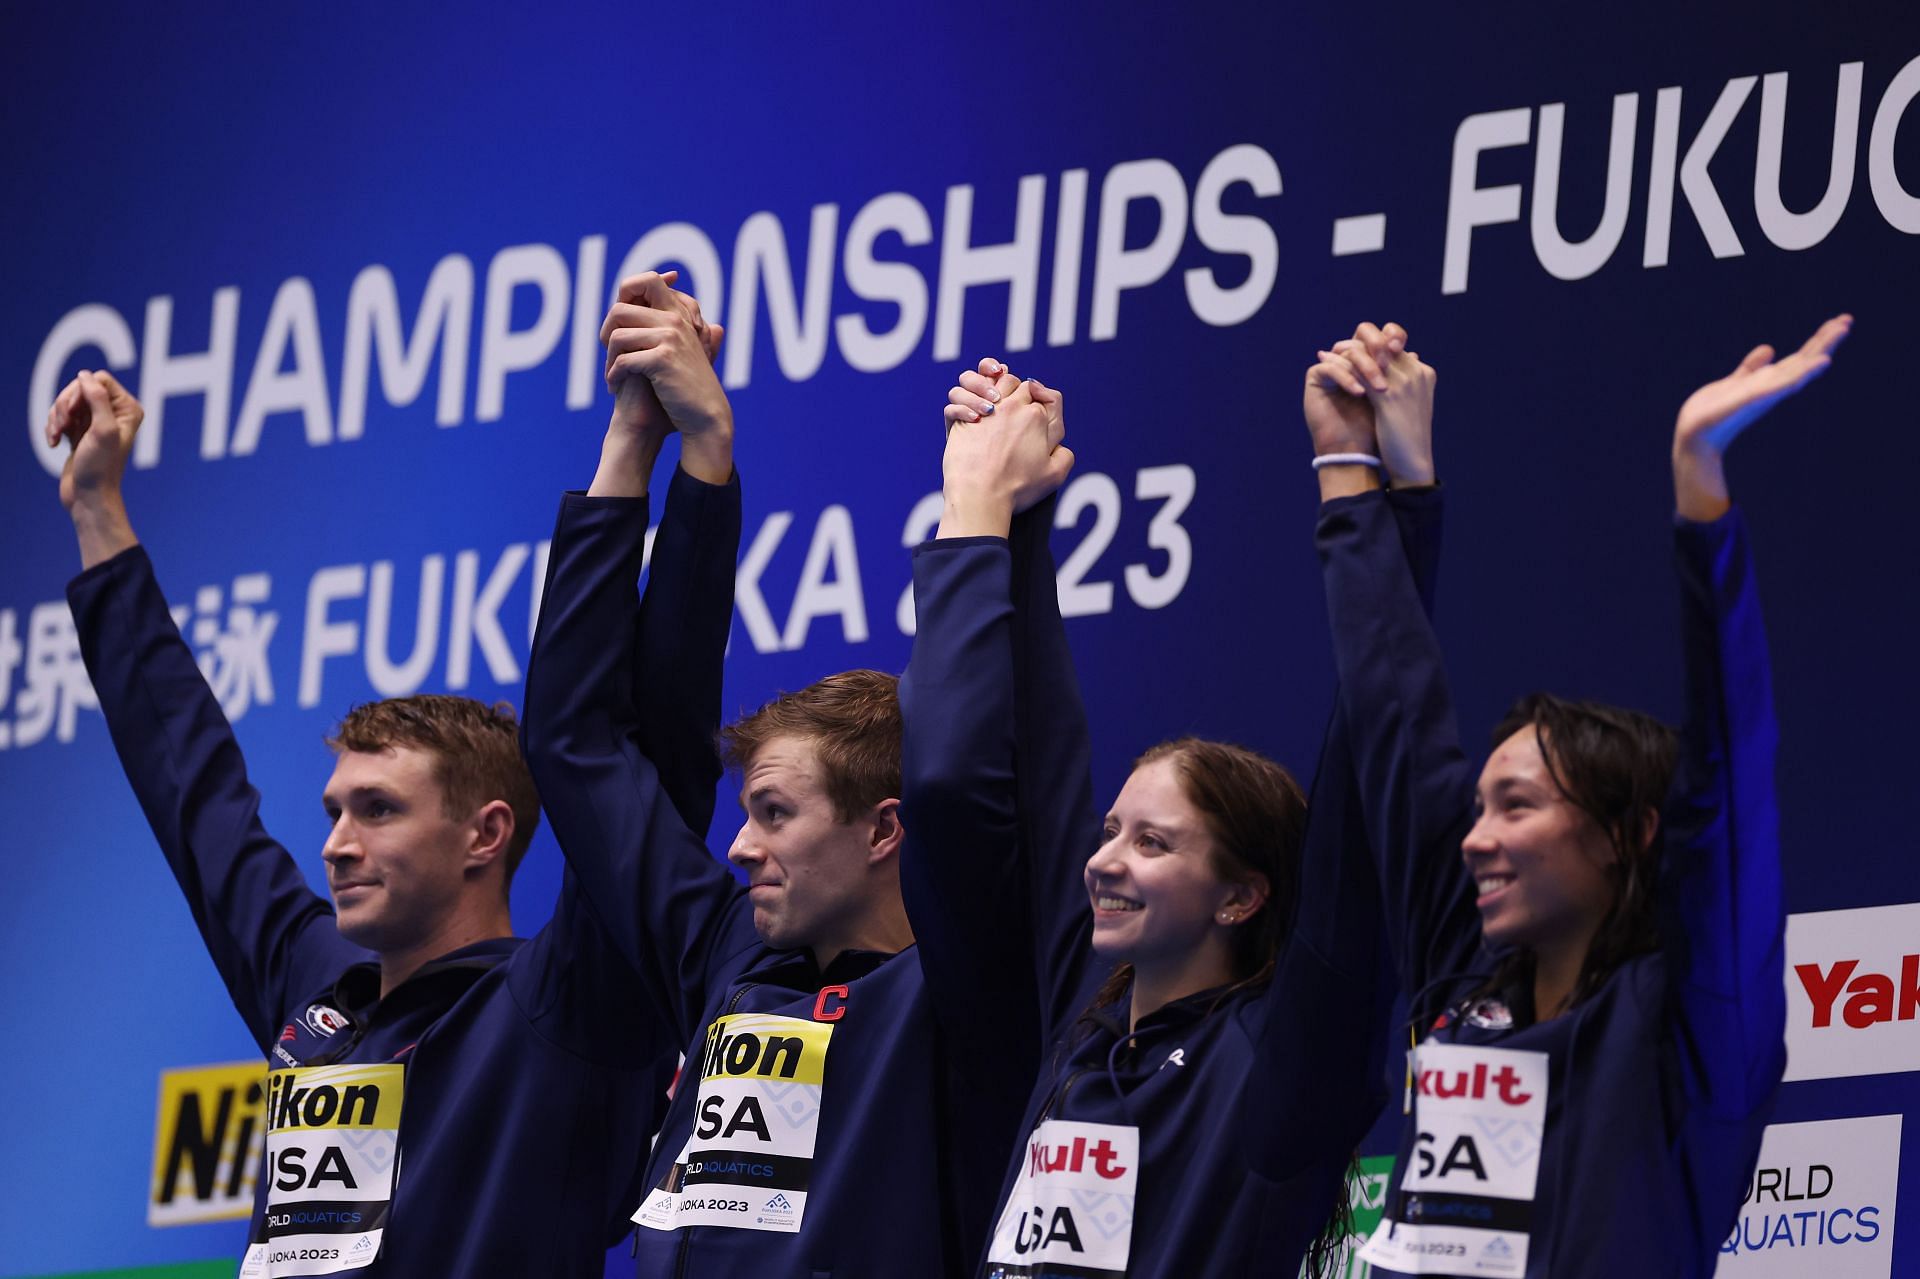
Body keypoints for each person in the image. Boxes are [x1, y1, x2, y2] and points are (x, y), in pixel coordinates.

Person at [47, 324, 736, 1275]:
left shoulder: (567, 1001)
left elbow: (655, 760)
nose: (334, 844)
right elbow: (193, 791)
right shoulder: (321, 993)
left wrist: (663, 454)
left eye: (377, 810)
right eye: (334, 809)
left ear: (485, 833)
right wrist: (96, 510)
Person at [518, 273, 1042, 1276]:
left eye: (773, 812)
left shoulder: (971, 991)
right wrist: (665, 444)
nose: (737, 844)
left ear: (887, 829)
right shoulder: (727, 956)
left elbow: (963, 781)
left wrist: (980, 514)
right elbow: (574, 742)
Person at [1315, 316, 1848, 1277]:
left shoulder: (1693, 1019)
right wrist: (1354, 470)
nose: (1476, 838)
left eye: (1518, 806)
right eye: (1481, 808)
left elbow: (1730, 777)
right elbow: (1396, 715)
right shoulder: (1466, 980)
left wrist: (1702, 497)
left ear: (1625, 832)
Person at [904, 332, 1437, 1277]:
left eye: (1154, 842)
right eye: (1112, 832)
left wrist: (1379, 493)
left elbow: (1373, 759)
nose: (1105, 860)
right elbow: (1035, 757)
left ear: (1242, 895)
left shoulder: (1284, 1058)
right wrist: (1020, 514)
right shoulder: (1080, 1016)